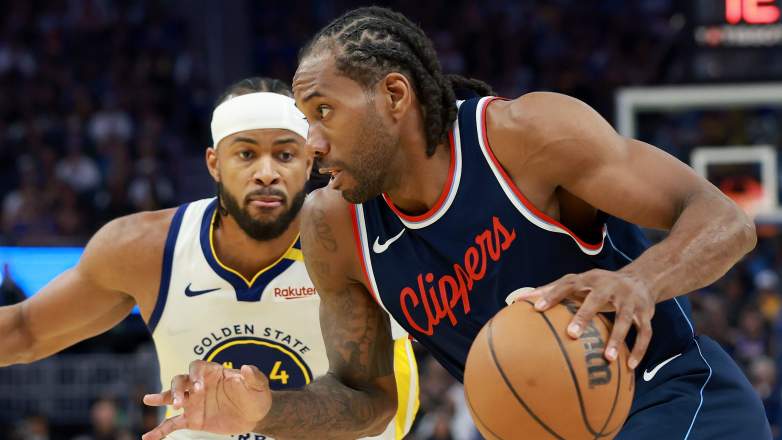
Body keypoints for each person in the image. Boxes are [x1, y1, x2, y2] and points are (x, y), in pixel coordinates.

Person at [143, 7, 770, 440]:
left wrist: (640, 281)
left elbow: (724, 219)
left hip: (674, 395)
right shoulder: (334, 227)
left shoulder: (524, 138)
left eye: (324, 111)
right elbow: (367, 400)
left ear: (394, 96)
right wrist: (263, 412)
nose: (312, 143)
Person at [0, 76, 418, 440]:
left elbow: (375, 405)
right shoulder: (145, 249)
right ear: (214, 163)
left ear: (310, 161)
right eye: (246, 154)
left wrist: (266, 412)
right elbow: (25, 331)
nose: (266, 173)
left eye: (285, 155)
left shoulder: (360, 241)